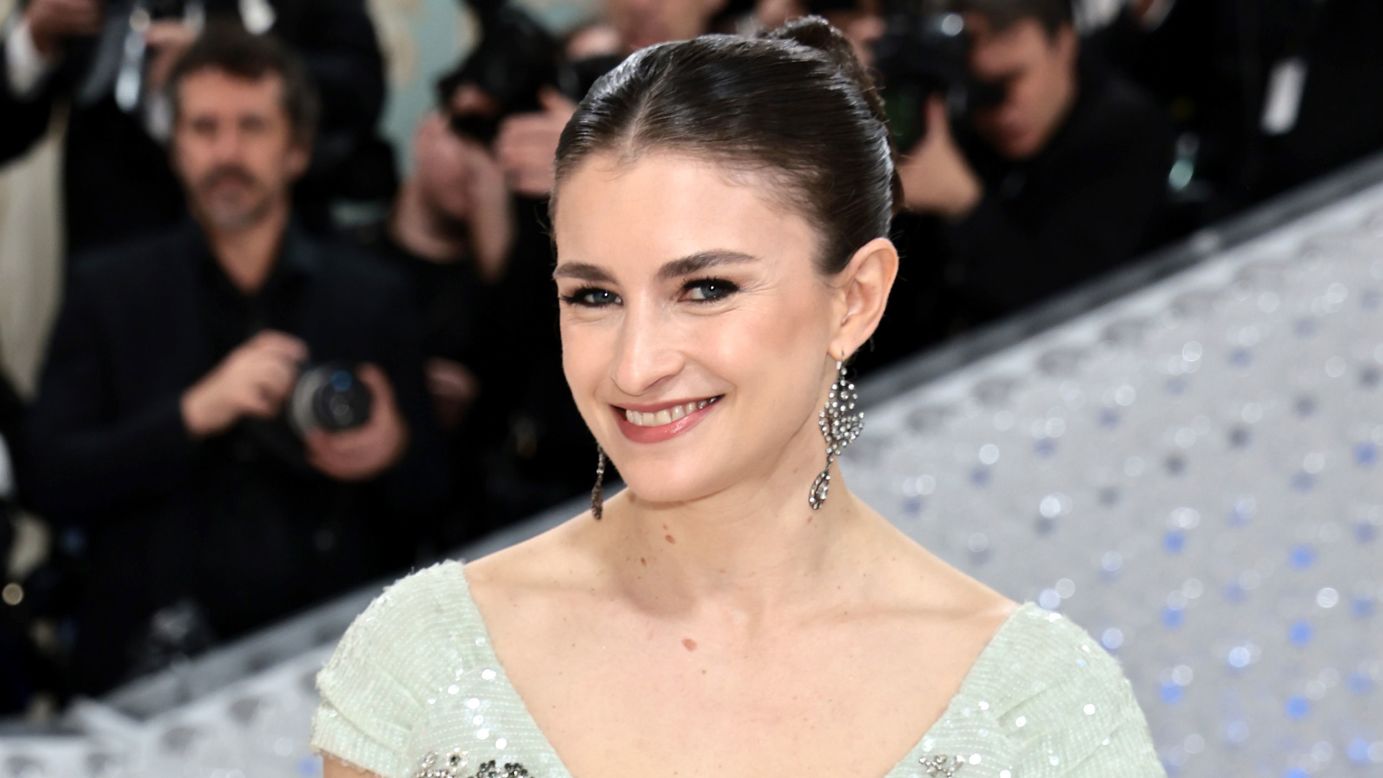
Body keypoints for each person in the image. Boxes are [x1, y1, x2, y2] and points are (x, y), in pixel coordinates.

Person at [311, 17, 1163, 778]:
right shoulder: (427, 662)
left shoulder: (1034, 712)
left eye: (706, 289)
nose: (635, 366)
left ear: (854, 298)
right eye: (594, 296)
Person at [21, 25, 445, 695]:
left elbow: (440, 502)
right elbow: (47, 481)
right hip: (144, 679)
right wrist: (193, 414)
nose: (227, 153)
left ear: (296, 149)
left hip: (336, 675)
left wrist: (394, 448)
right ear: (174, 147)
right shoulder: (107, 292)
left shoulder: (370, 295)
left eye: (252, 126)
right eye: (204, 127)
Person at [874, 0, 1171, 364]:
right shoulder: (956, 133)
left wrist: (963, 205)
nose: (1001, 111)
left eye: (1011, 79)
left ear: (1064, 45)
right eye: (980, 90)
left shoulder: (1127, 132)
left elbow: (1067, 303)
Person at [0, 0, 390, 255]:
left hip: (274, 258)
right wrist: (34, 38)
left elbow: (358, 87)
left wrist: (229, 62)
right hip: (115, 252)